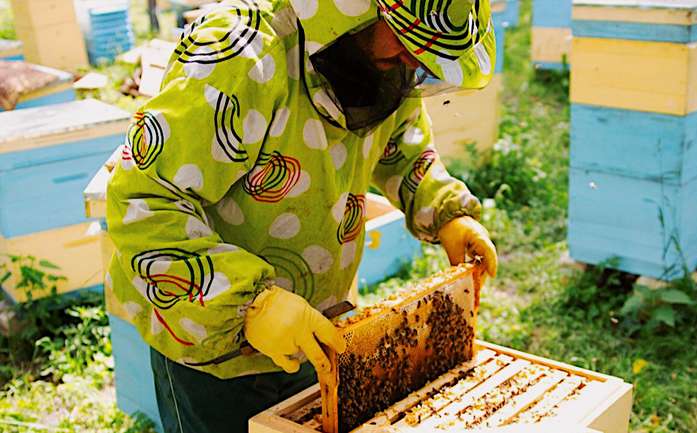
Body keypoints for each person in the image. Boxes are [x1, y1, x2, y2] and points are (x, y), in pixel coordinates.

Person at [106, 0, 498, 431]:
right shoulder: (240, 54)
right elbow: (145, 199)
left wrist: (444, 210)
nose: (414, 60)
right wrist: (247, 306)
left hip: (318, 327)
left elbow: (400, 146)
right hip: (211, 347)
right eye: (407, 42)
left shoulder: (393, 57)